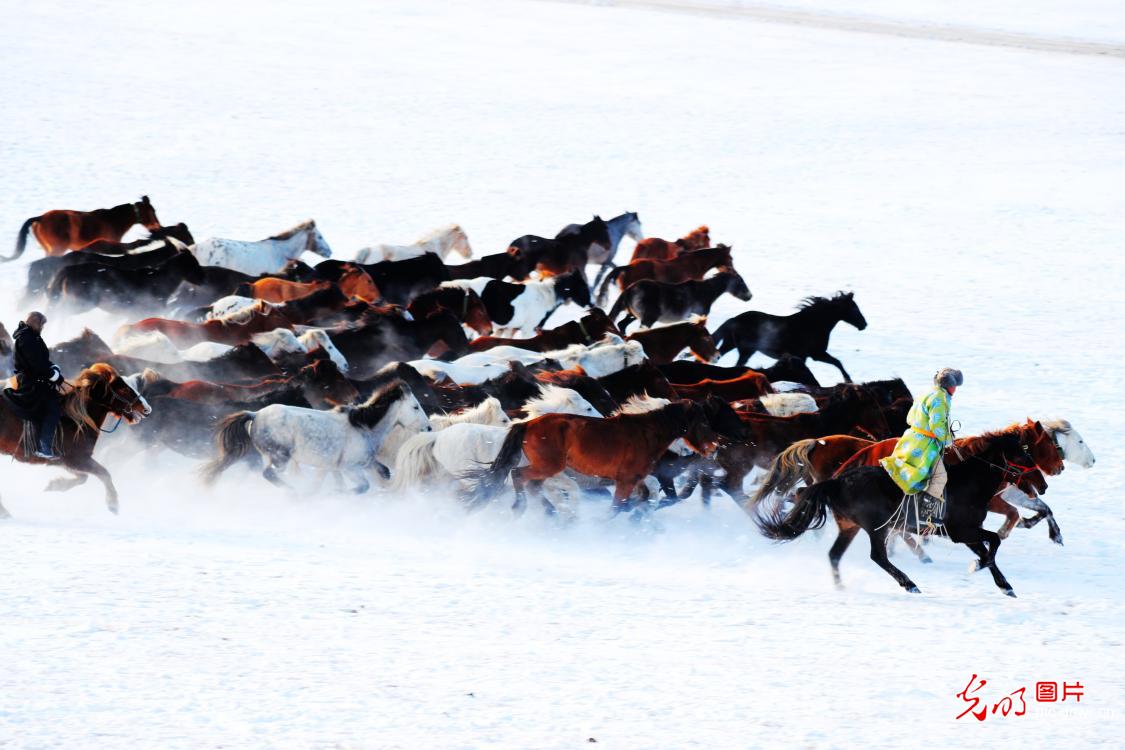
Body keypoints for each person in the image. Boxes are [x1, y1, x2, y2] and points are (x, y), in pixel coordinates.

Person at [879, 368, 963, 529]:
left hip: (910, 440)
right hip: (925, 445)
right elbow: (937, 426)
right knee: (939, 477)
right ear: (949, 386)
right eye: (955, 386)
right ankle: (924, 513)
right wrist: (948, 441)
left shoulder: (928, 392)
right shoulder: (940, 398)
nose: (956, 390)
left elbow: (910, 416)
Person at [9, 312, 64, 460]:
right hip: (31, 383)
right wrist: (54, 376)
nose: (43, 328)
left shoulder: (31, 337)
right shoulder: (27, 339)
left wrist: (54, 368)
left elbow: (43, 361)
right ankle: (44, 446)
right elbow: (37, 365)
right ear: (36, 323)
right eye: (42, 324)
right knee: (53, 409)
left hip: (36, 380)